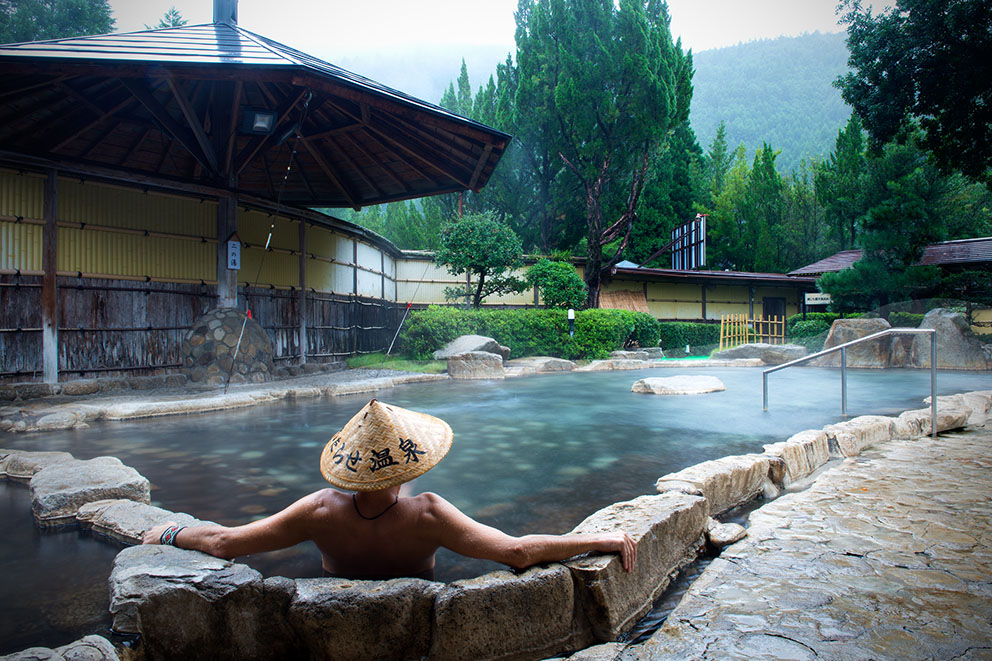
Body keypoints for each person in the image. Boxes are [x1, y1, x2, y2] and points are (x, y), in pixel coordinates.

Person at [144, 399, 636, 580]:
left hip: (335, 596)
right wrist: (603, 539)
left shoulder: (318, 510)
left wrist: (169, 534)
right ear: (405, 468)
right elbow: (519, 551)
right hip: (420, 595)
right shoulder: (428, 515)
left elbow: (224, 542)